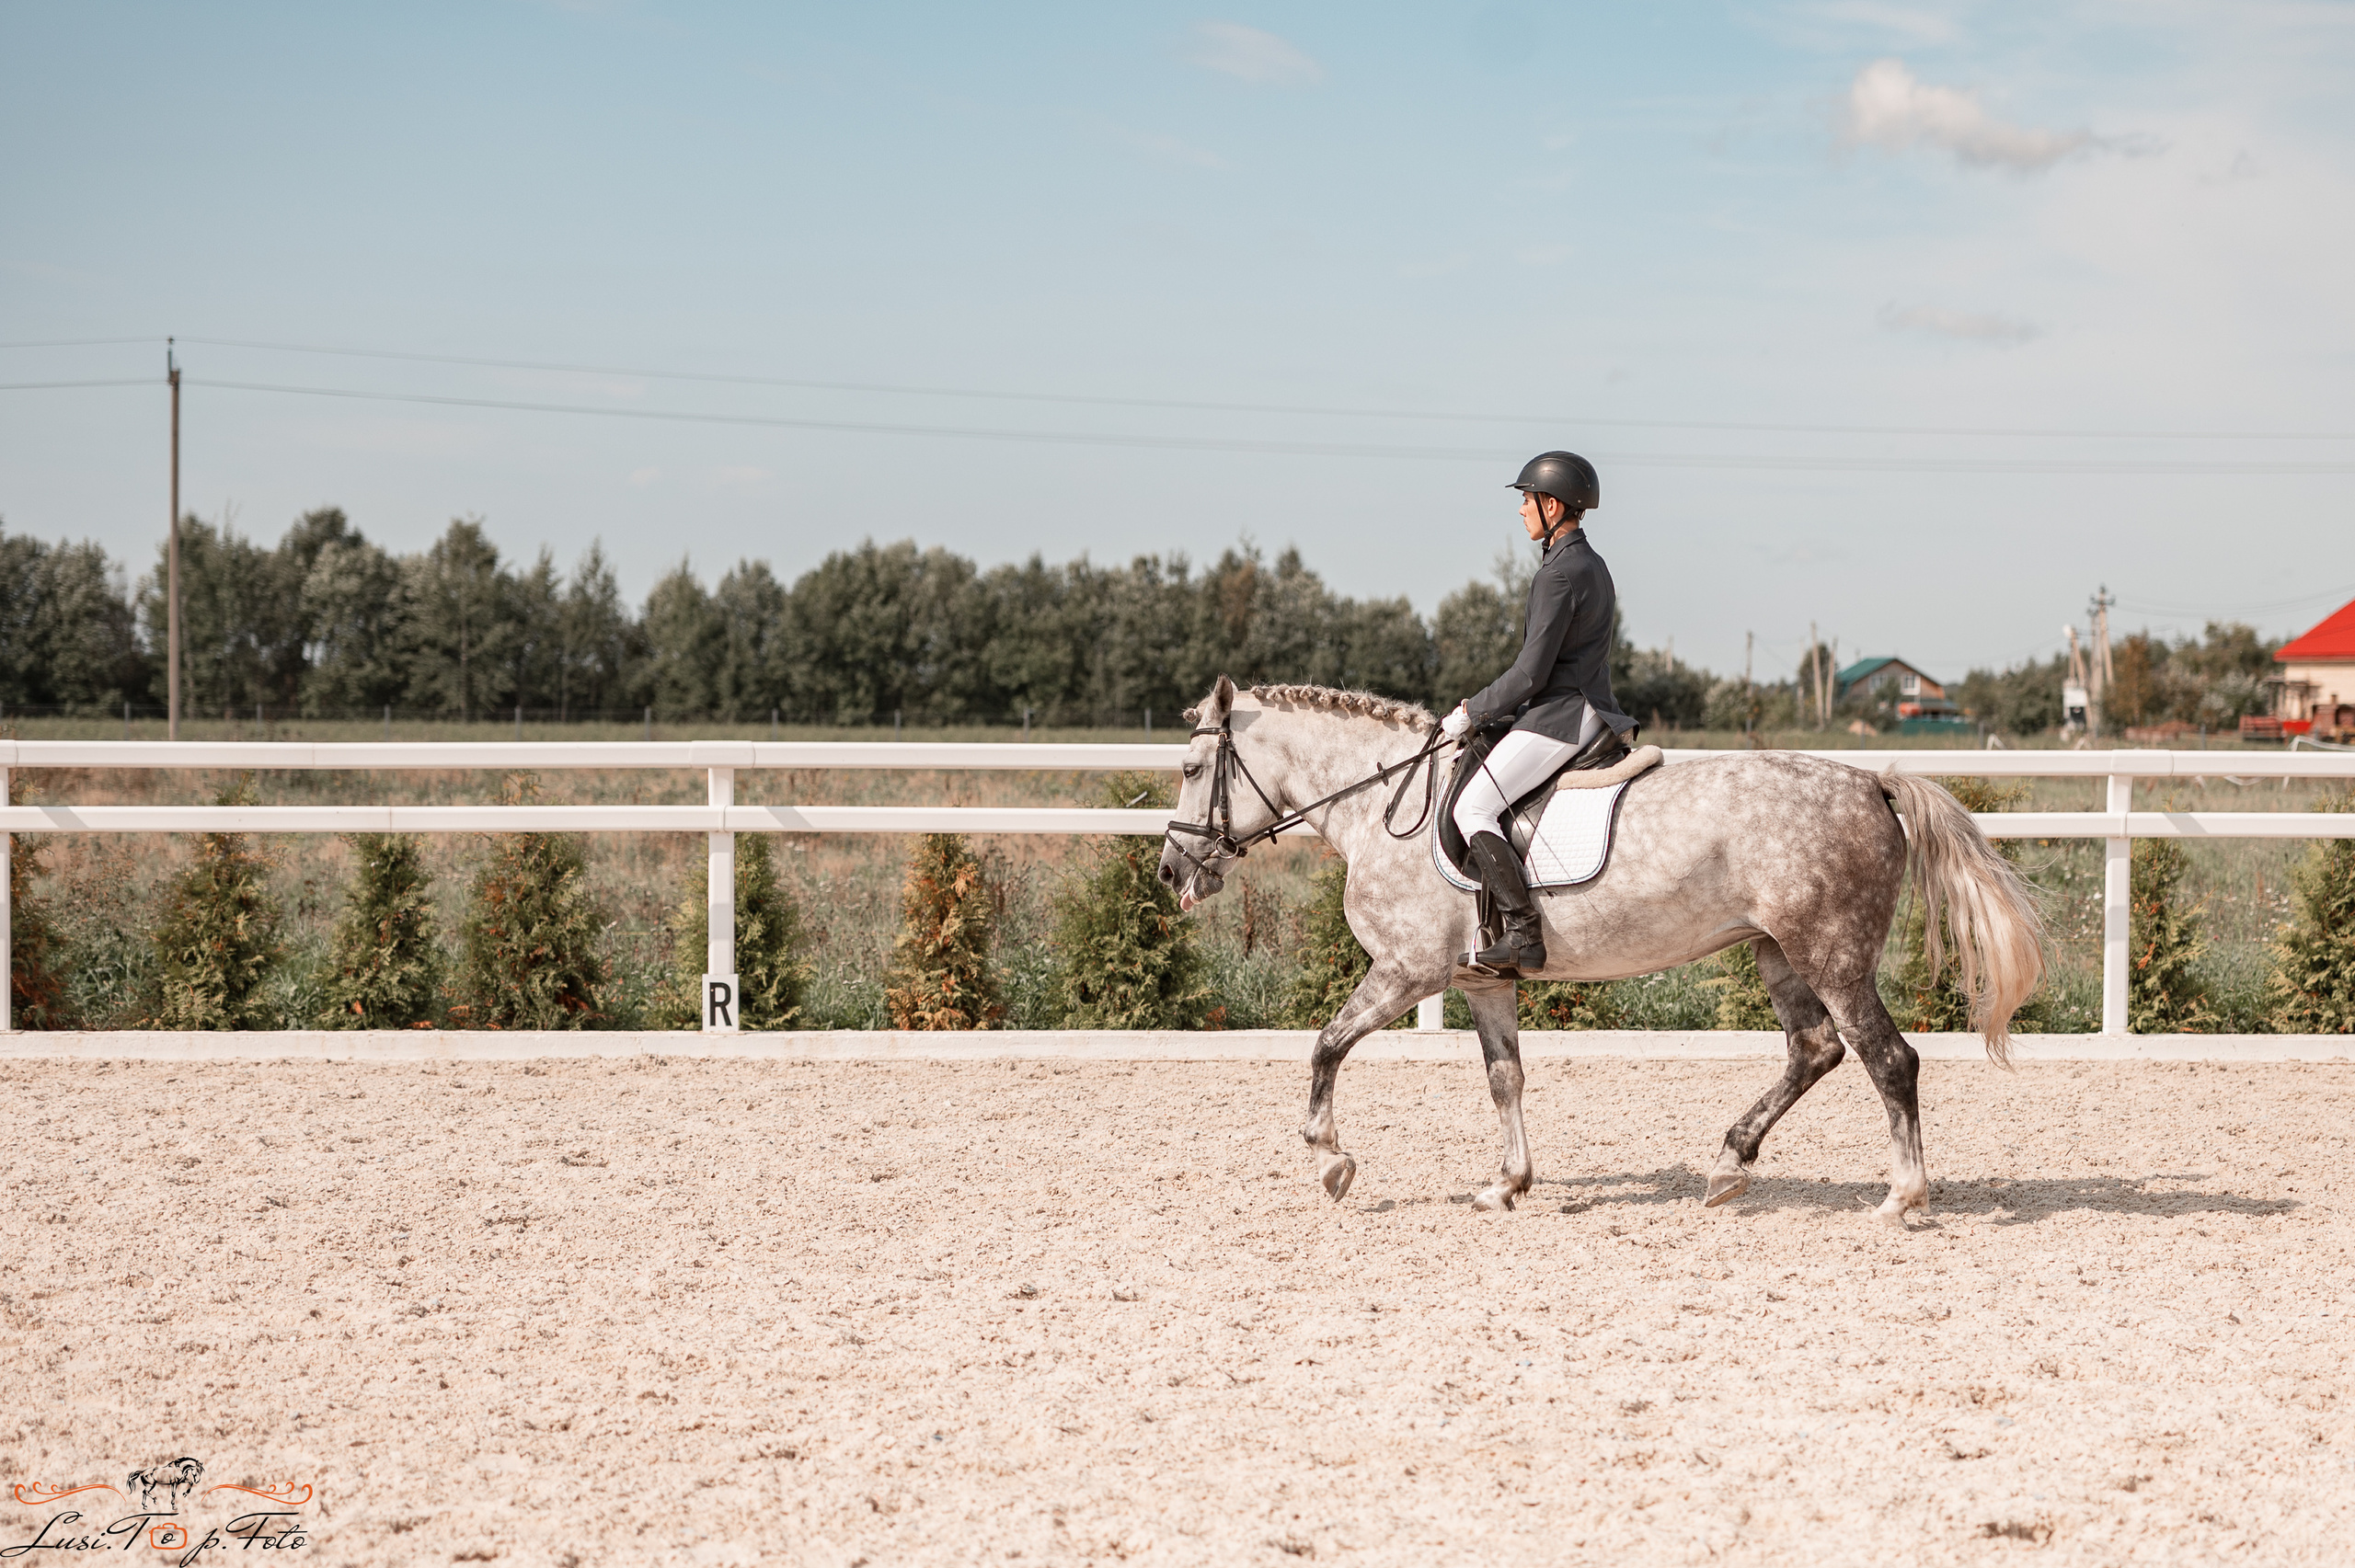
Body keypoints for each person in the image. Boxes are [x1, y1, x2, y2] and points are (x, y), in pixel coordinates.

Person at [1439, 451, 1637, 977]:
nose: (1522, 509)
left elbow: (1529, 673)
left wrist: (1472, 710)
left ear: (1552, 505)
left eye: (1527, 499)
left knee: (1472, 808)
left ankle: (1524, 935)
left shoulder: (1558, 574)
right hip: (1592, 708)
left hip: (1562, 716)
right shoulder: (1592, 563)